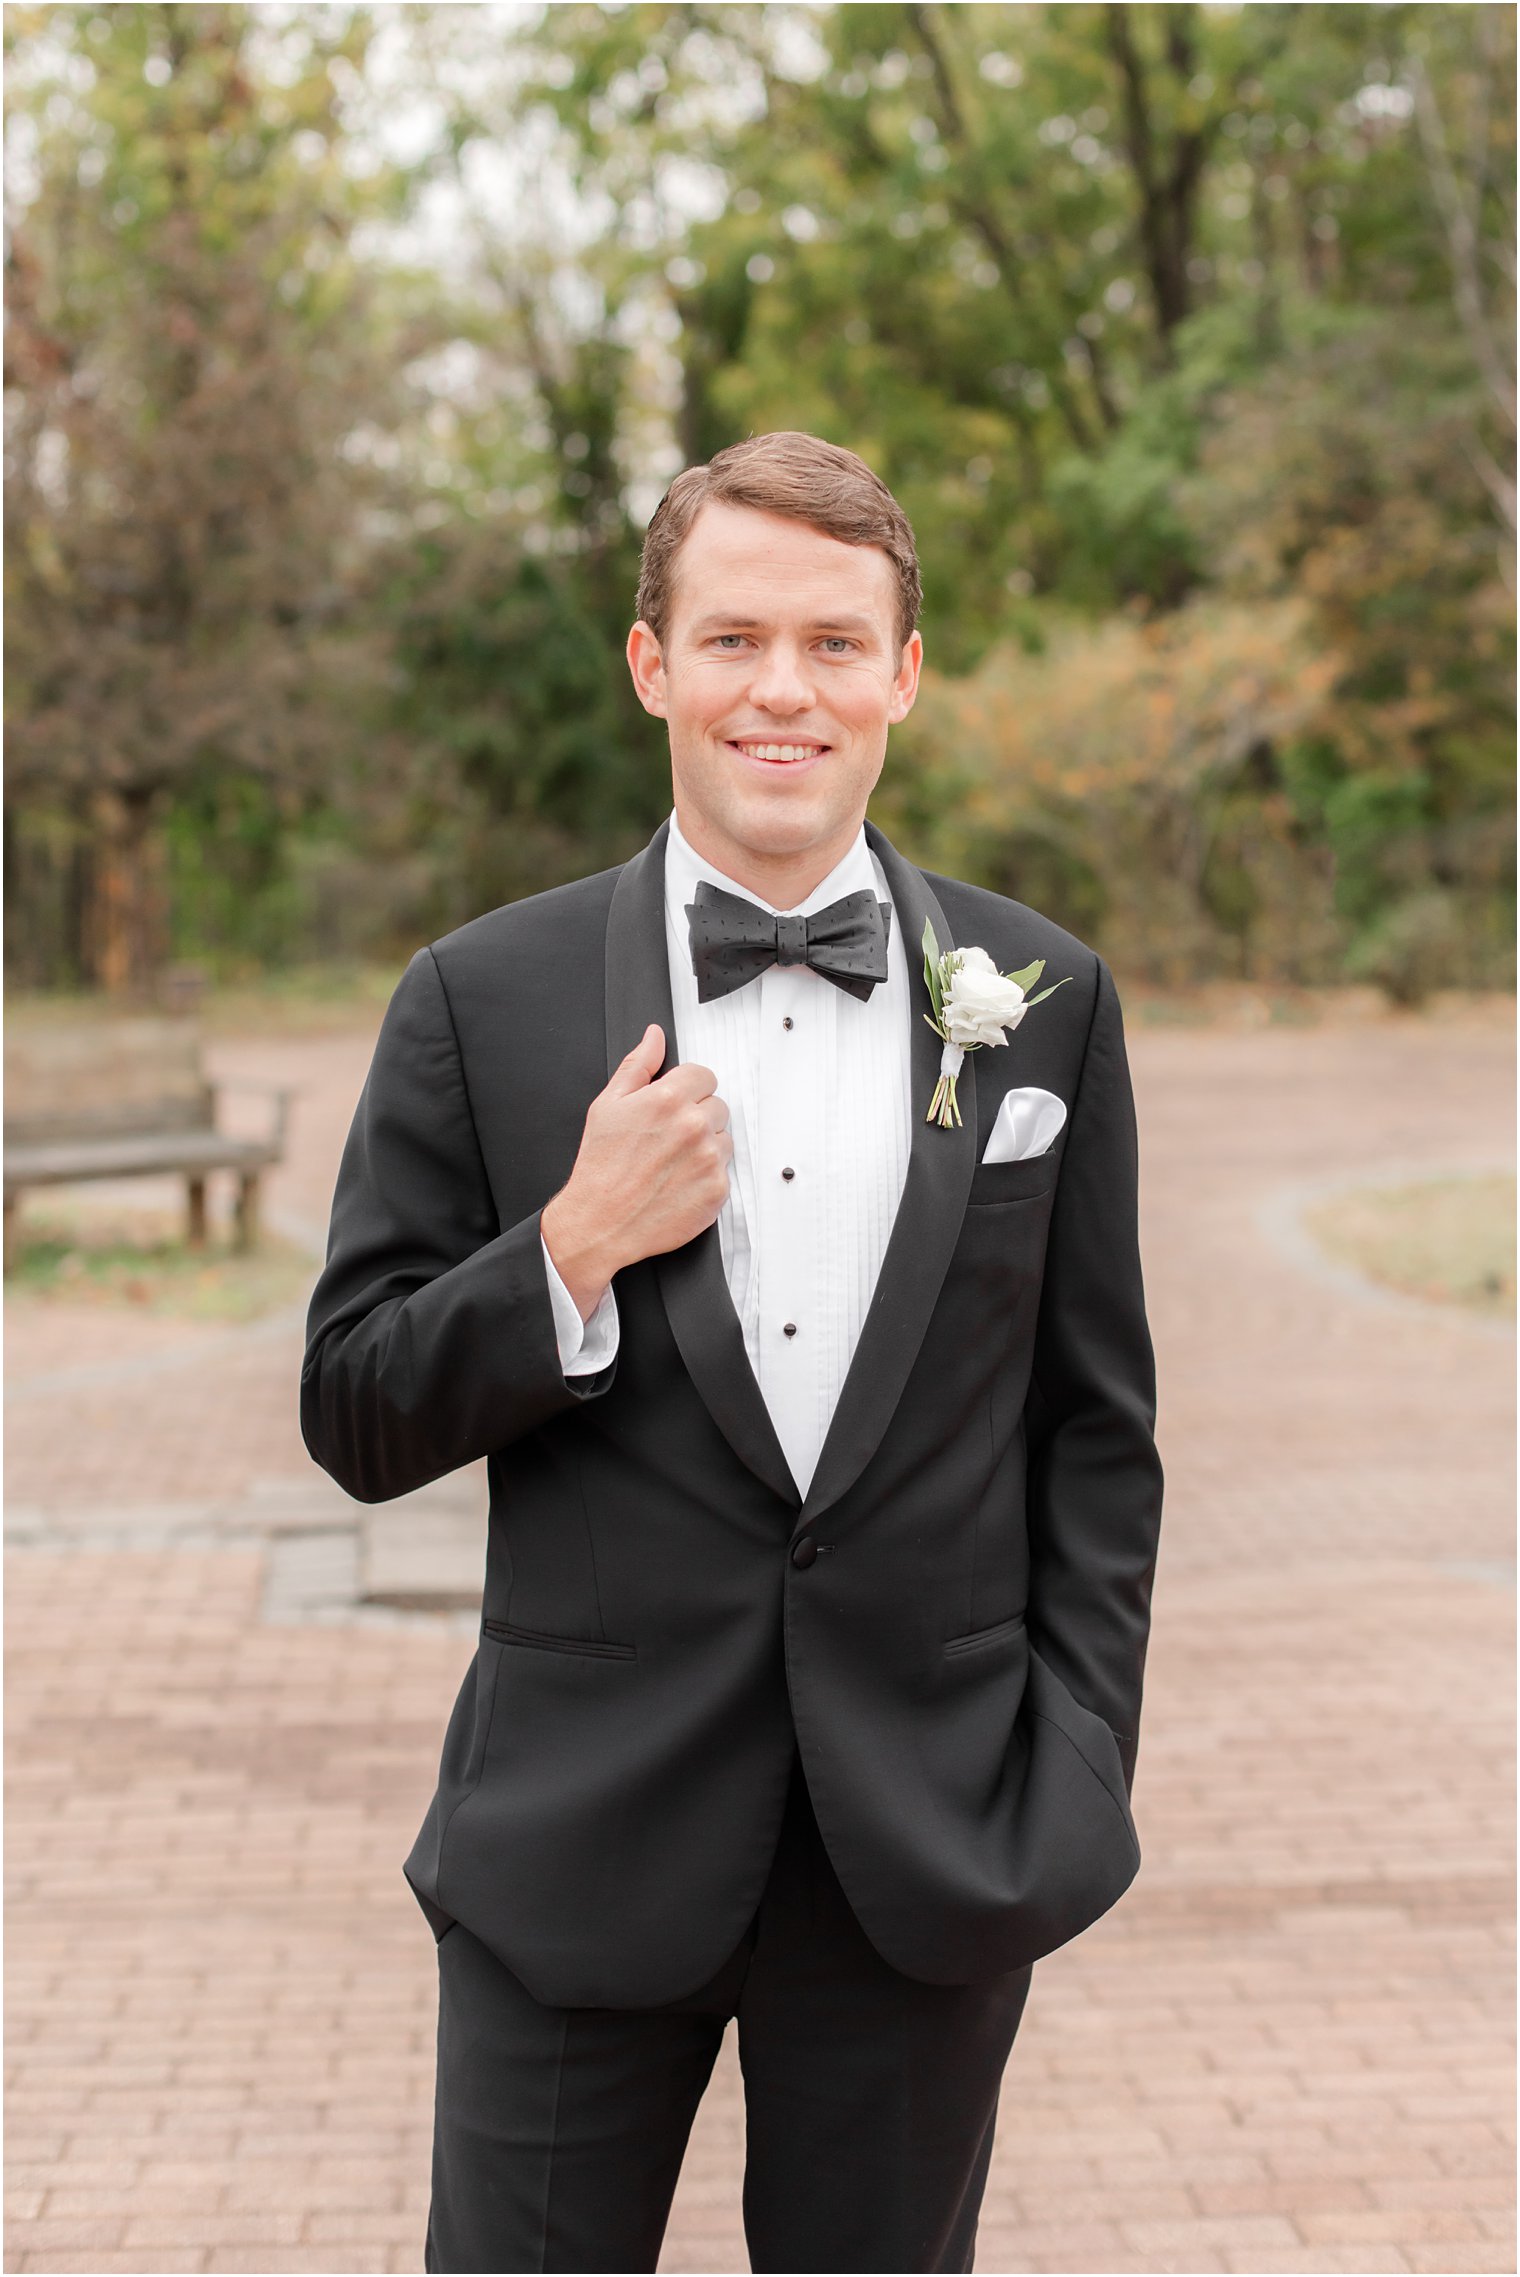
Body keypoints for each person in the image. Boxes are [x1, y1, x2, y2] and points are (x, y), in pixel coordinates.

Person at [301, 429, 1164, 2274]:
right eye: (736, 638)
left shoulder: (1043, 1003)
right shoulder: (482, 997)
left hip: (925, 1847)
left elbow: (1098, 1430)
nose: (786, 688)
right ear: (652, 664)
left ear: (906, 676)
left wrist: (1076, 1754)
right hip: (578, 1836)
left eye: (838, 644)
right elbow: (356, 1404)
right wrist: (568, 1247)